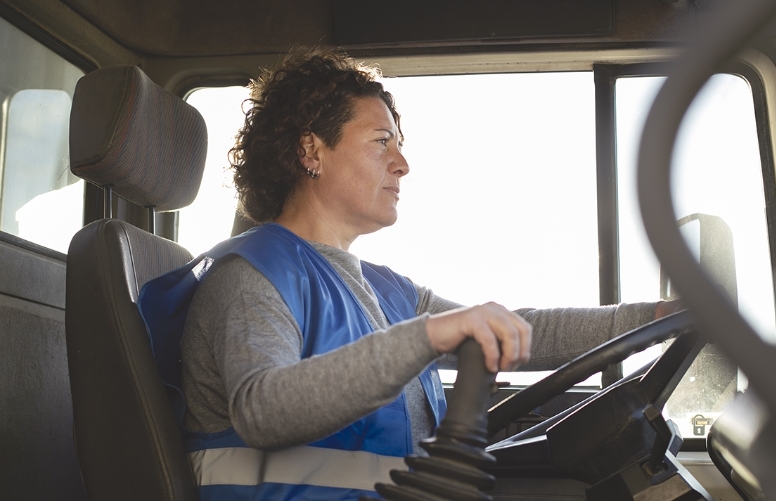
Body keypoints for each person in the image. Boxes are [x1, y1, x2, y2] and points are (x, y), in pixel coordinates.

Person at [139, 46, 679, 501]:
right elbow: (265, 410)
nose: (402, 163)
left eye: (400, 145)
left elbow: (522, 329)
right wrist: (424, 337)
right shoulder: (249, 276)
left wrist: (655, 317)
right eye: (381, 142)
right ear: (311, 150)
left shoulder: (385, 288)